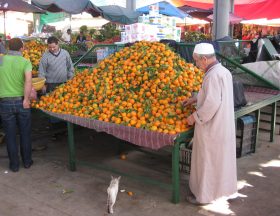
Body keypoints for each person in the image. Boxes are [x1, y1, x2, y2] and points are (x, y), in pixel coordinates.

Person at [183, 43, 237, 205]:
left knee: (208, 162)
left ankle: (203, 197)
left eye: (197, 61)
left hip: (212, 126)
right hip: (223, 125)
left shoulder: (212, 75)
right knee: (220, 162)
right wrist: (195, 98)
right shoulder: (223, 71)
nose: (196, 65)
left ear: (204, 59)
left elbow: (211, 104)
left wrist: (194, 117)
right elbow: (214, 94)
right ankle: (222, 192)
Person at [0, 38, 33, 172]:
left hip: (4, 103)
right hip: (21, 102)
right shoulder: (25, 62)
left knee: (10, 134)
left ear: (8, 47)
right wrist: (26, 99)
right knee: (25, 133)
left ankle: (14, 165)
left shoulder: (1, 60)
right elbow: (29, 81)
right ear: (21, 48)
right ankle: (27, 162)